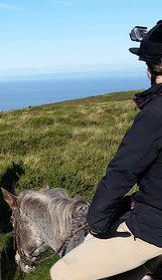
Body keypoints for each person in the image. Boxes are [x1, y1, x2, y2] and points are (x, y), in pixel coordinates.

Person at [51, 20, 162, 280]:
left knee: (62, 274)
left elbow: (121, 172)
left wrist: (98, 223)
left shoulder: (156, 113)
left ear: (153, 67)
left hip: (155, 226)